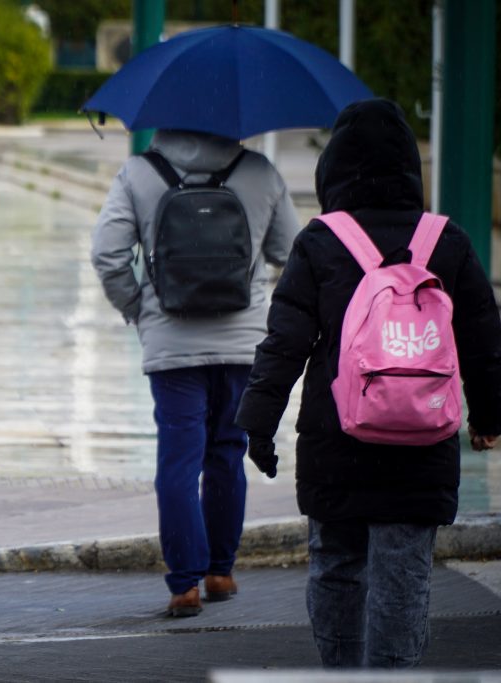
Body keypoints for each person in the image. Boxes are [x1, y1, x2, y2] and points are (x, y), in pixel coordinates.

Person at [234, 99, 501, 668]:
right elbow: (484, 337)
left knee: (336, 566)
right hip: (423, 442)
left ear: (333, 170)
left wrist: (258, 424)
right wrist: (490, 416)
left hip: (337, 442)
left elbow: (284, 343)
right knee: (404, 577)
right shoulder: (446, 241)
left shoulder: (321, 241)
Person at [91, 129, 300, 617]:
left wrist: (138, 309)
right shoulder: (260, 173)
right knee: (228, 453)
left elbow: (107, 254)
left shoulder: (138, 174)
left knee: (179, 462)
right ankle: (220, 572)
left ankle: (184, 584)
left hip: (172, 345)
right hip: (242, 346)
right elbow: (290, 252)